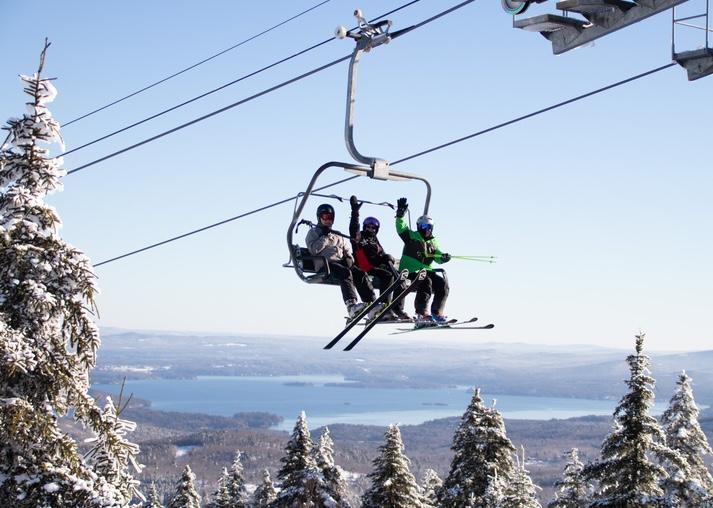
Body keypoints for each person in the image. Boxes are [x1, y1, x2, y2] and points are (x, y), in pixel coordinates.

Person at [306, 203, 382, 320]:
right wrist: (325, 237)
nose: (328, 220)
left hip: (340, 263)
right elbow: (314, 249)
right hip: (325, 265)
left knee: (359, 272)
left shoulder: (337, 234)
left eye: (330, 217)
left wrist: (348, 259)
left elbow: (346, 249)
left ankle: (371, 305)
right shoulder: (314, 233)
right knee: (345, 272)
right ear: (319, 217)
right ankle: (351, 306)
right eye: (325, 217)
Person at [349, 195, 411, 321]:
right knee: (388, 276)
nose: (370, 229)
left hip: (376, 266)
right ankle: (384, 307)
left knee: (399, 278)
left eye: (373, 228)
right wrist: (355, 212)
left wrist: (387, 257)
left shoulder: (374, 239)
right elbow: (353, 228)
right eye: (368, 227)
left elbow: (380, 254)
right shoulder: (359, 237)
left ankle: (396, 308)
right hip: (365, 266)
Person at [394, 197, 452, 326]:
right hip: (411, 271)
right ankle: (422, 313)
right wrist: (400, 215)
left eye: (430, 227)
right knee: (425, 281)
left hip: (426, 270)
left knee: (442, 284)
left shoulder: (432, 242)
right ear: (419, 226)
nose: (427, 229)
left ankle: (437, 312)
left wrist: (443, 257)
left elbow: (437, 256)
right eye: (425, 226)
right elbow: (401, 228)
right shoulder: (411, 237)